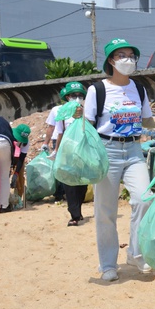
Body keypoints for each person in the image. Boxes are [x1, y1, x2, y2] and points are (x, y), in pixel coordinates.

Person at [83, 38, 155, 282]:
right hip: (107, 150)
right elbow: (87, 126)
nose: (127, 59)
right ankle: (107, 264)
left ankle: (136, 254)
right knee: (105, 211)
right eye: (121, 55)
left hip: (134, 150)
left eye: (131, 55)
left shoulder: (138, 89)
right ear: (110, 60)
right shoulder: (97, 90)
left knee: (144, 199)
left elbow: (147, 121)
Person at [54, 82, 89, 227]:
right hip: (68, 150)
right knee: (69, 182)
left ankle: (78, 210)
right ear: (67, 97)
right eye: (74, 95)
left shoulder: (88, 111)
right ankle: (74, 215)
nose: (77, 98)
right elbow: (59, 133)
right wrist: (56, 152)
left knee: (82, 182)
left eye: (80, 95)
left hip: (84, 150)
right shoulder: (62, 112)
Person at [43, 88, 66, 202]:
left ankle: (60, 193)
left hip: (59, 140)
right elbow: (51, 127)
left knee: (59, 166)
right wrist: (45, 143)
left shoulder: (57, 109)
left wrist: (45, 143)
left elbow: (51, 127)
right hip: (60, 140)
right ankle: (64, 192)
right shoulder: (78, 109)